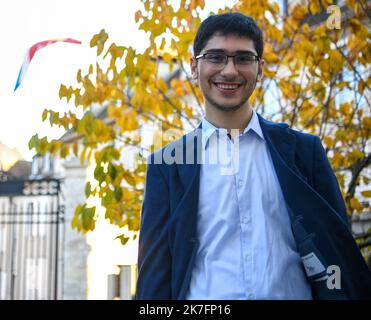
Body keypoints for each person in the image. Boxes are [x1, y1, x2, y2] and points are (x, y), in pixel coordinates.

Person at [136, 12, 371, 300]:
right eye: (216, 57)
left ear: (260, 68)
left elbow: (338, 253)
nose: (230, 70)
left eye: (243, 58)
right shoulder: (168, 164)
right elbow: (155, 279)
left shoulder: (303, 152)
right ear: (194, 67)